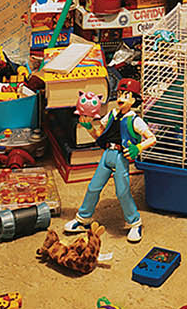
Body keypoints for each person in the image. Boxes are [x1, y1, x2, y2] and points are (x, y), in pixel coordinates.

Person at [64, 76, 155, 243]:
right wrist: (89, 127)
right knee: (93, 187)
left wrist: (138, 148)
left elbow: (152, 138)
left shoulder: (136, 120)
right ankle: (83, 219)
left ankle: (135, 223)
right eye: (120, 93)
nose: (121, 98)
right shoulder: (112, 114)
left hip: (121, 157)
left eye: (126, 95)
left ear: (134, 100)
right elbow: (99, 135)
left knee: (122, 192)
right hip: (107, 154)